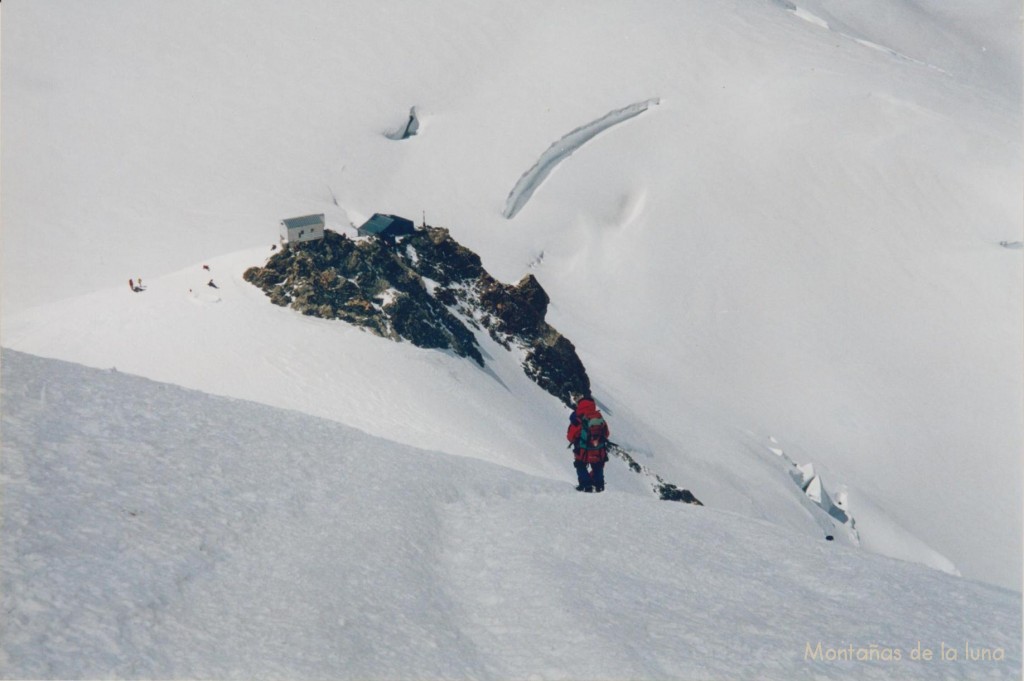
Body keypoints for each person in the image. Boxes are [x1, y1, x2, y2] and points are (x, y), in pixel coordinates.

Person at [566, 396, 610, 493]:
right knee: (597, 466)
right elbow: (606, 433)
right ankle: (599, 486)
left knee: (580, 465)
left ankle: (586, 485)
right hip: (598, 449)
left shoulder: (578, 418)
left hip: (582, 450)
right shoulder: (598, 416)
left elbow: (570, 436)